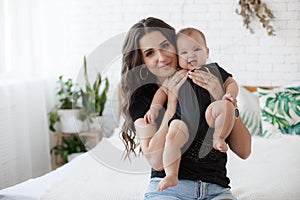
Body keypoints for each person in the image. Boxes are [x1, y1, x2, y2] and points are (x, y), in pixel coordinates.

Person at [121, 17, 251, 200]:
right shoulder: (144, 100)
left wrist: (224, 98)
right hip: (169, 191)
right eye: (149, 53)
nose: (161, 57)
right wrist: (171, 106)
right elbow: (157, 162)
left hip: (216, 189)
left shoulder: (209, 76)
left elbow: (244, 151)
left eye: (165, 46)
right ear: (142, 62)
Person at [143, 27, 239, 191]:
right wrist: (154, 108)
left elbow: (231, 82)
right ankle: (171, 175)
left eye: (196, 49)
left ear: (207, 51)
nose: (191, 55)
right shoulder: (176, 74)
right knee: (172, 136)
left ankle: (219, 138)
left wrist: (229, 95)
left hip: (208, 117)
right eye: (184, 52)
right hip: (182, 121)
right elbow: (162, 92)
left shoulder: (214, 70)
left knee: (224, 107)